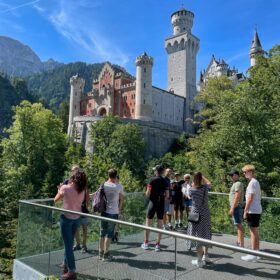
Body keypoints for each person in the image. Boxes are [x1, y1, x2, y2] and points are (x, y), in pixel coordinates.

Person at [54, 168, 87, 280]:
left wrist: (59, 190)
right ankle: (65, 263)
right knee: (69, 242)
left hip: (66, 218)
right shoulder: (82, 190)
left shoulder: (65, 188)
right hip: (76, 218)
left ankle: (71, 271)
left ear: (73, 178)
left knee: (68, 245)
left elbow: (55, 200)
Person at [186, 172, 212, 268]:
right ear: (201, 178)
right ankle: (206, 256)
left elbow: (188, 196)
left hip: (195, 213)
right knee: (206, 233)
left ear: (193, 179)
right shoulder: (205, 188)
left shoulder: (192, 190)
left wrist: (194, 183)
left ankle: (199, 260)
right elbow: (209, 183)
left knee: (197, 236)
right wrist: (203, 177)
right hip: (205, 213)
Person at [141, 165, 169, 252]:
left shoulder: (152, 180)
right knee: (160, 224)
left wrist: (145, 194)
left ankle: (146, 243)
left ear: (156, 171)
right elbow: (167, 195)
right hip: (161, 203)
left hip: (152, 203)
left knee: (148, 223)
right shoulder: (165, 181)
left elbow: (148, 193)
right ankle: (157, 245)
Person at [99, 169, 124, 261]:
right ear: (116, 175)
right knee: (109, 234)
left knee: (102, 233)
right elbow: (121, 199)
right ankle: (106, 254)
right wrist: (119, 210)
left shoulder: (104, 184)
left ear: (108, 175)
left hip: (104, 211)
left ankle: (100, 253)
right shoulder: (119, 186)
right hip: (114, 212)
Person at [241, 165, 262, 262]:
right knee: (255, 232)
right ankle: (257, 253)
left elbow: (250, 198)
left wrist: (245, 210)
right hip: (256, 210)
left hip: (252, 210)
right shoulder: (255, 182)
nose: (244, 174)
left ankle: (253, 254)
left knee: (253, 232)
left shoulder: (252, 183)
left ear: (250, 172)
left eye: (245, 172)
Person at [228, 170, 245, 247]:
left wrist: (232, 208)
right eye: (231, 175)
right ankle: (239, 242)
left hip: (236, 207)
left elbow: (237, 196)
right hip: (236, 206)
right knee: (238, 225)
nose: (231, 177)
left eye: (233, 175)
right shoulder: (236, 184)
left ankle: (241, 245)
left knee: (239, 225)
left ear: (237, 175)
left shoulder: (238, 184)